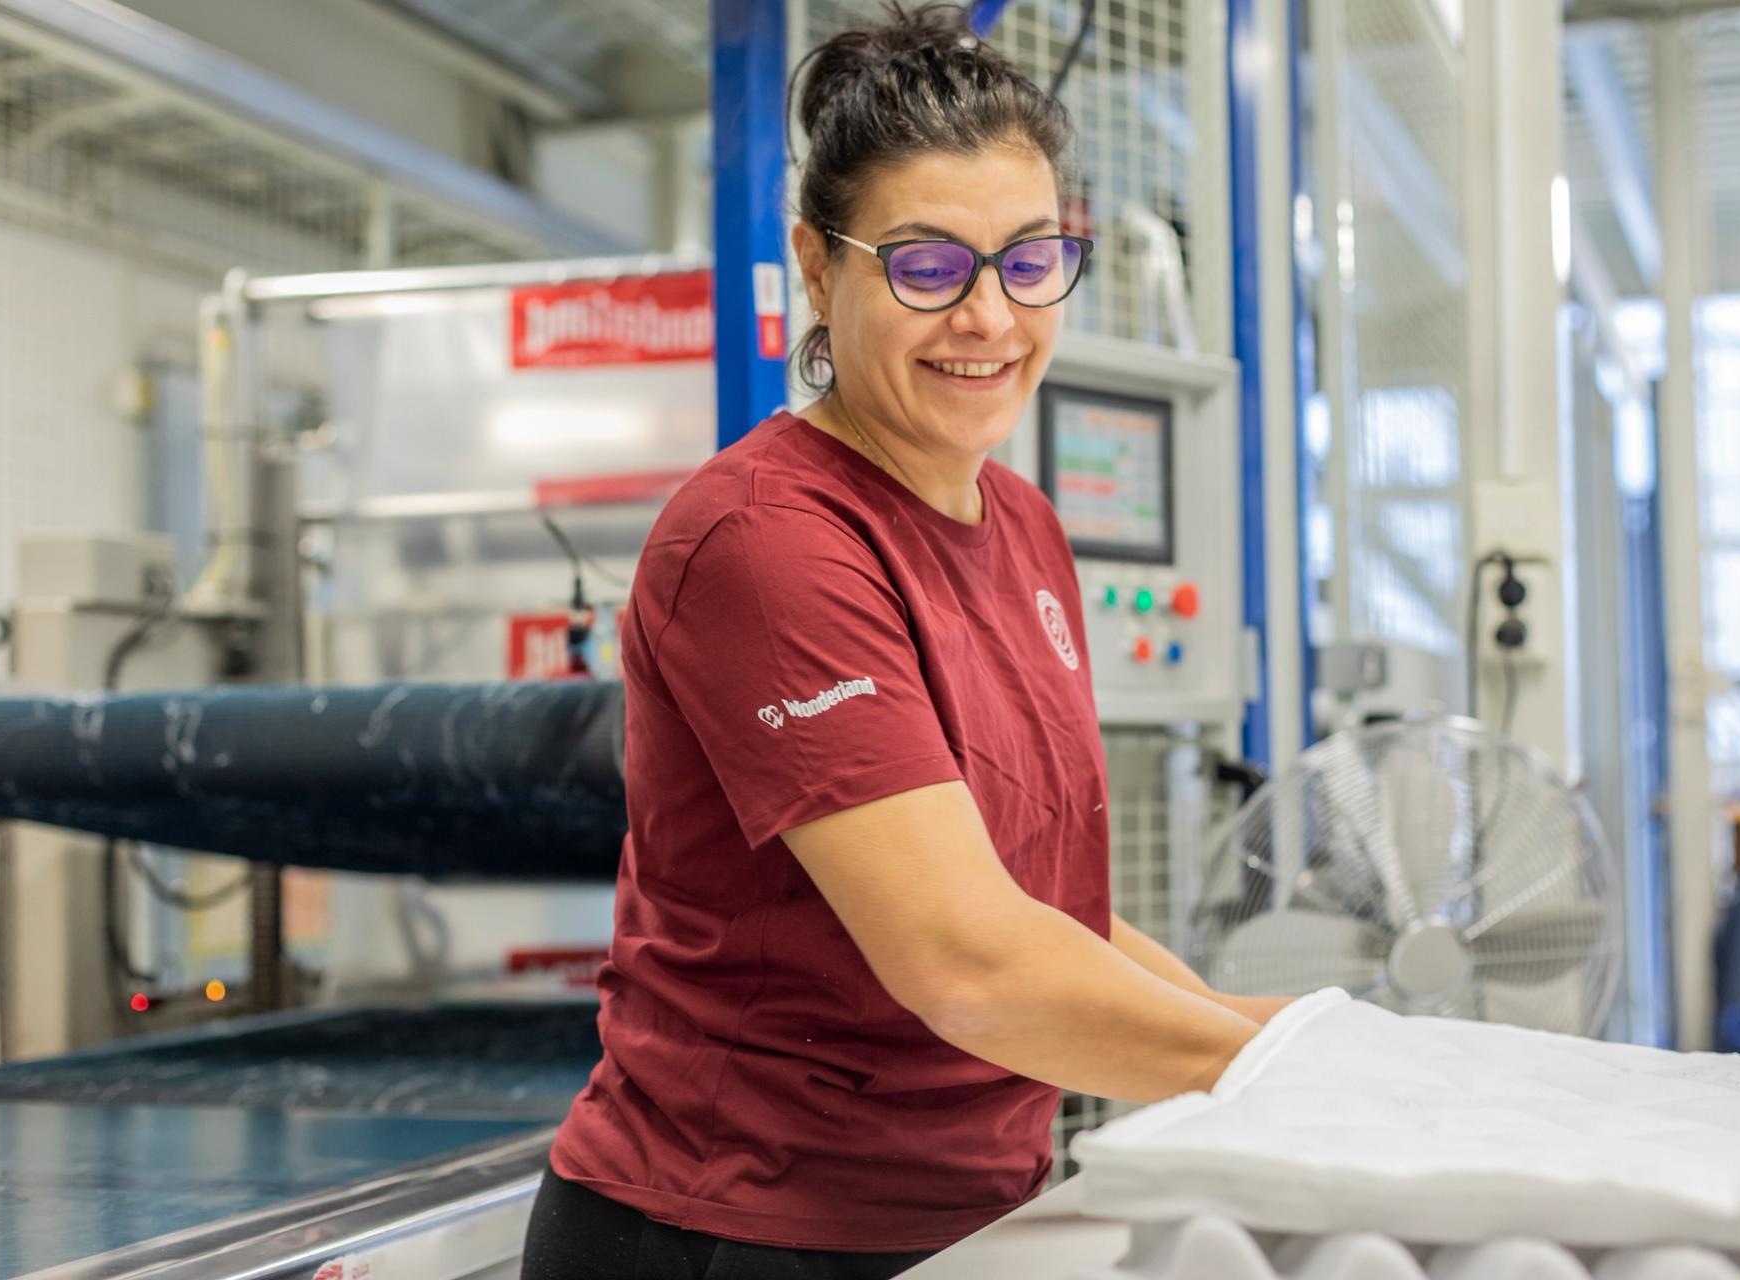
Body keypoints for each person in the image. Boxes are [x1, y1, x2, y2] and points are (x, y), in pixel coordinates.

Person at [521, 7, 1288, 1278]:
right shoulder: (766, 539)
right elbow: (965, 959)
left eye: (1030, 261)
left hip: (969, 1211)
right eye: (927, 266)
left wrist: (1295, 1032)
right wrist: (1271, 1064)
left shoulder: (1026, 526)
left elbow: (1052, 917)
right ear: (821, 270)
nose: (988, 317)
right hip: (739, 1229)